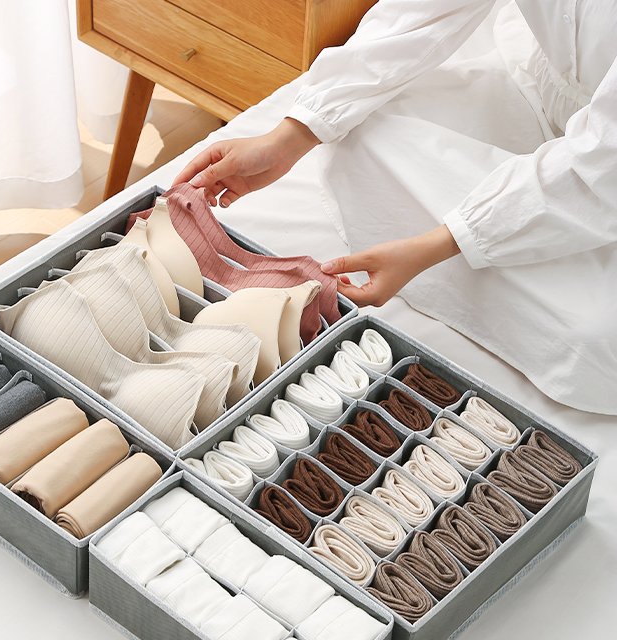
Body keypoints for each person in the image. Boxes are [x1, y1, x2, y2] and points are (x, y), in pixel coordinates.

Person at [174, 0, 617, 415]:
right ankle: (486, 257)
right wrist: (290, 137)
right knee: (359, 131)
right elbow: (420, 10)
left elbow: (598, 164)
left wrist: (438, 244)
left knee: (593, 341)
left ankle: (456, 253)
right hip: (539, 93)